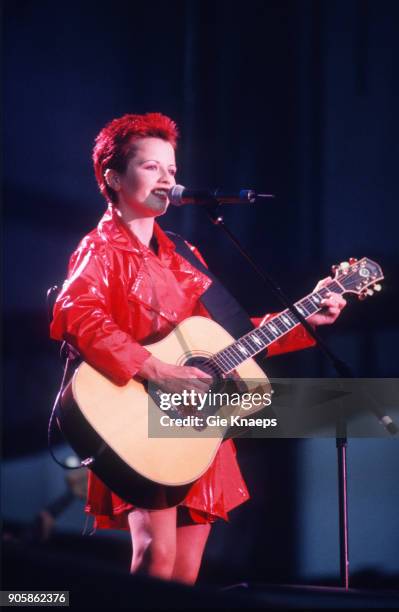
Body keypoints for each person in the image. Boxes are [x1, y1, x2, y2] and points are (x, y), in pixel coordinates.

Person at [50, 112, 346, 585]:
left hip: (191, 423)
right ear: (112, 177)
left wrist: (302, 320)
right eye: (152, 168)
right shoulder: (100, 249)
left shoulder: (185, 254)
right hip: (139, 417)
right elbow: (76, 315)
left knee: (184, 573)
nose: (168, 179)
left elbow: (223, 340)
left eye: (171, 169)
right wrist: (152, 368)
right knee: (156, 558)